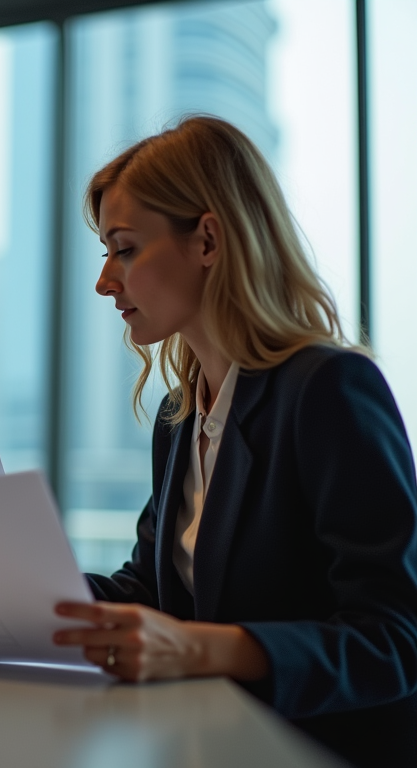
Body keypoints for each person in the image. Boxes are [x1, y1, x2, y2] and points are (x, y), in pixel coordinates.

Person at [51, 116, 417, 767]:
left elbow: (395, 637)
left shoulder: (330, 390)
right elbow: (150, 595)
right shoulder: (180, 418)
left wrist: (199, 648)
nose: (106, 281)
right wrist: (15, 594)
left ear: (209, 240)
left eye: (125, 248)